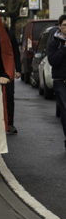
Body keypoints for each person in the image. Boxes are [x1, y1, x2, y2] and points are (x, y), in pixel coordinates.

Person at [47, 14, 66, 153]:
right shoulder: (53, 43)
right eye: (65, 25)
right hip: (60, 81)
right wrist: (63, 48)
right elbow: (52, 61)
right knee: (65, 110)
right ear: (60, 26)